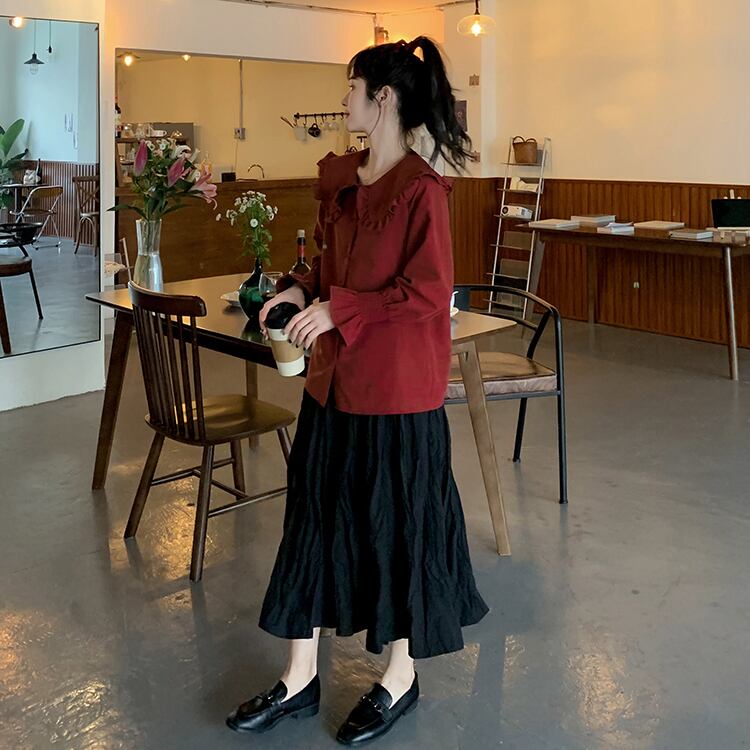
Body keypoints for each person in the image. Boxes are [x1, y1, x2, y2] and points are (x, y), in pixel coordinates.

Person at [226, 36, 489, 746]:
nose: (343, 100)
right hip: (331, 387)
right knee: (312, 522)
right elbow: (325, 266)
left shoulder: (422, 191)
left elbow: (430, 292)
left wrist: (340, 309)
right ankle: (299, 677)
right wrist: (296, 290)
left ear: (383, 98)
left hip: (397, 395)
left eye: (351, 88)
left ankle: (399, 677)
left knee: (397, 531)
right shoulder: (342, 180)